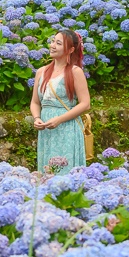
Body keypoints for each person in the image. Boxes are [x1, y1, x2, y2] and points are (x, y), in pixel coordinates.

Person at [30, 29, 90, 172]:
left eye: (58, 43)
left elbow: (85, 104)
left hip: (67, 128)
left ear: (70, 49)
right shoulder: (41, 71)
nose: (52, 46)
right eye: (52, 41)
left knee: (66, 171)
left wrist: (59, 120)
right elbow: (35, 102)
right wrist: (37, 118)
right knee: (47, 172)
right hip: (46, 129)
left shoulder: (75, 72)